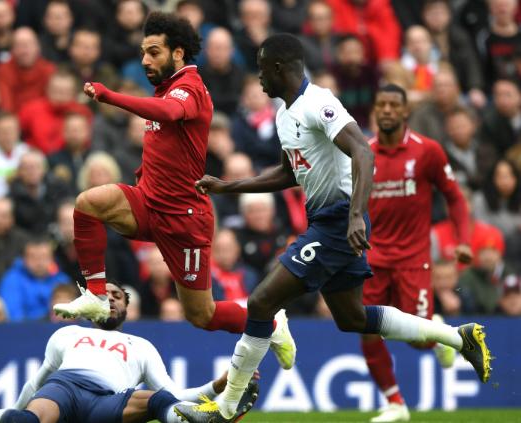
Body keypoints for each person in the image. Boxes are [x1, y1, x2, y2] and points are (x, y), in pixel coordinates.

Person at [177, 34, 492, 423]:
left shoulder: (319, 102)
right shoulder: (284, 115)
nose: (258, 80)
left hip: (339, 221)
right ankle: (458, 337)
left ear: (279, 68)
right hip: (327, 221)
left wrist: (357, 214)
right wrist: (230, 186)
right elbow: (289, 172)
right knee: (353, 318)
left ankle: (226, 407)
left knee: (260, 303)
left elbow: (362, 150)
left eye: (261, 70)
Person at [51, 14, 295, 372]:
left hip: (185, 220)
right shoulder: (165, 86)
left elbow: (168, 113)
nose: (145, 60)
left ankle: (274, 325)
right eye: (143, 53)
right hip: (149, 202)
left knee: (202, 315)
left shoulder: (189, 86)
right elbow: (166, 143)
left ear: (178, 52)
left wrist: (110, 96)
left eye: (154, 52)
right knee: (89, 203)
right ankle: (96, 296)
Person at [0, 281, 259, 423]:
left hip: (107, 401)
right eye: (103, 294)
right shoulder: (69, 333)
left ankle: (202, 418)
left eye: (116, 296)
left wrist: (216, 386)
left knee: (157, 400)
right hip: (64, 387)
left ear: (127, 308)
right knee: (27, 420)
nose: (109, 299)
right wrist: (13, 416)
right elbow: (37, 382)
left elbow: (174, 393)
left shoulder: (141, 346)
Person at [361, 84, 474, 422]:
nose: (387, 110)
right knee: (365, 328)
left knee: (418, 339)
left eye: (394, 105)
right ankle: (395, 403)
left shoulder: (428, 152)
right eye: (381, 104)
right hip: (373, 259)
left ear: (406, 111)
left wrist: (463, 240)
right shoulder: (363, 154)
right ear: (374, 111)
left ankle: (437, 334)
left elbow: (454, 196)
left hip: (413, 260)